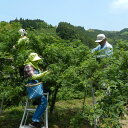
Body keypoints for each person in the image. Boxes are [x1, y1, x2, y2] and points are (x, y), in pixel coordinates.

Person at [24, 52, 51, 128]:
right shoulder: (28, 66)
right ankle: (34, 121)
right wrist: (45, 73)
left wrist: (46, 73)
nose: (37, 61)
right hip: (33, 88)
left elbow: (39, 77)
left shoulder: (34, 66)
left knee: (48, 90)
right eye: (35, 60)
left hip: (37, 87)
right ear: (31, 60)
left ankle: (36, 102)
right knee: (44, 102)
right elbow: (34, 77)